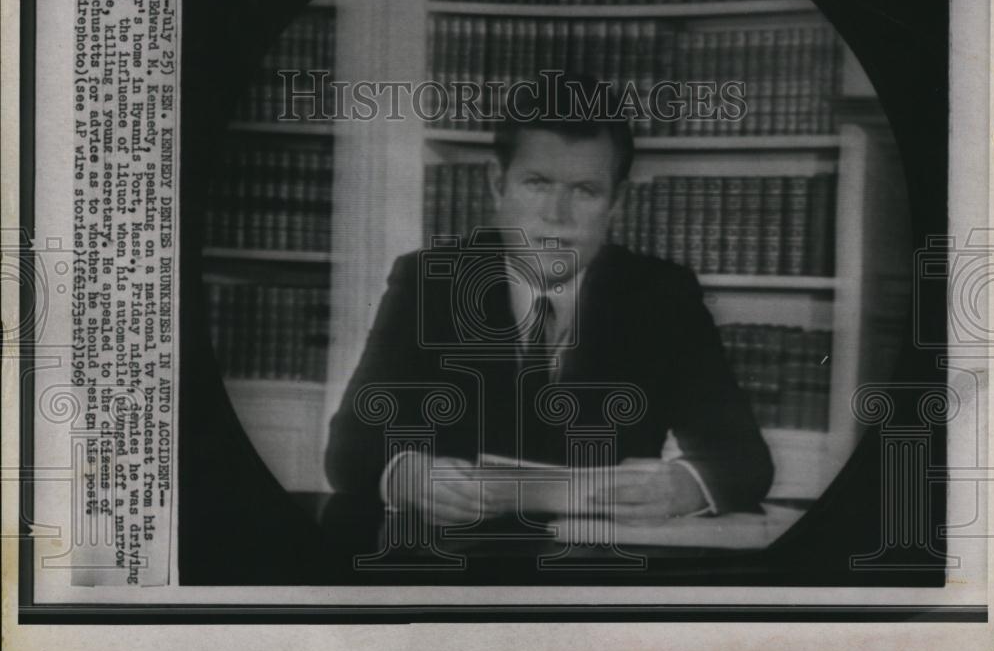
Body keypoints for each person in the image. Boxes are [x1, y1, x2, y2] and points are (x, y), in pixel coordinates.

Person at [324, 73, 773, 529]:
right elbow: (349, 449)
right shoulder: (428, 281)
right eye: (537, 183)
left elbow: (743, 459)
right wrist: (410, 478)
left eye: (585, 191)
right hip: (456, 562)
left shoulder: (663, 295)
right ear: (498, 184)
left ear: (616, 202)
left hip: (602, 569)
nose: (557, 215)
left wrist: (683, 488)